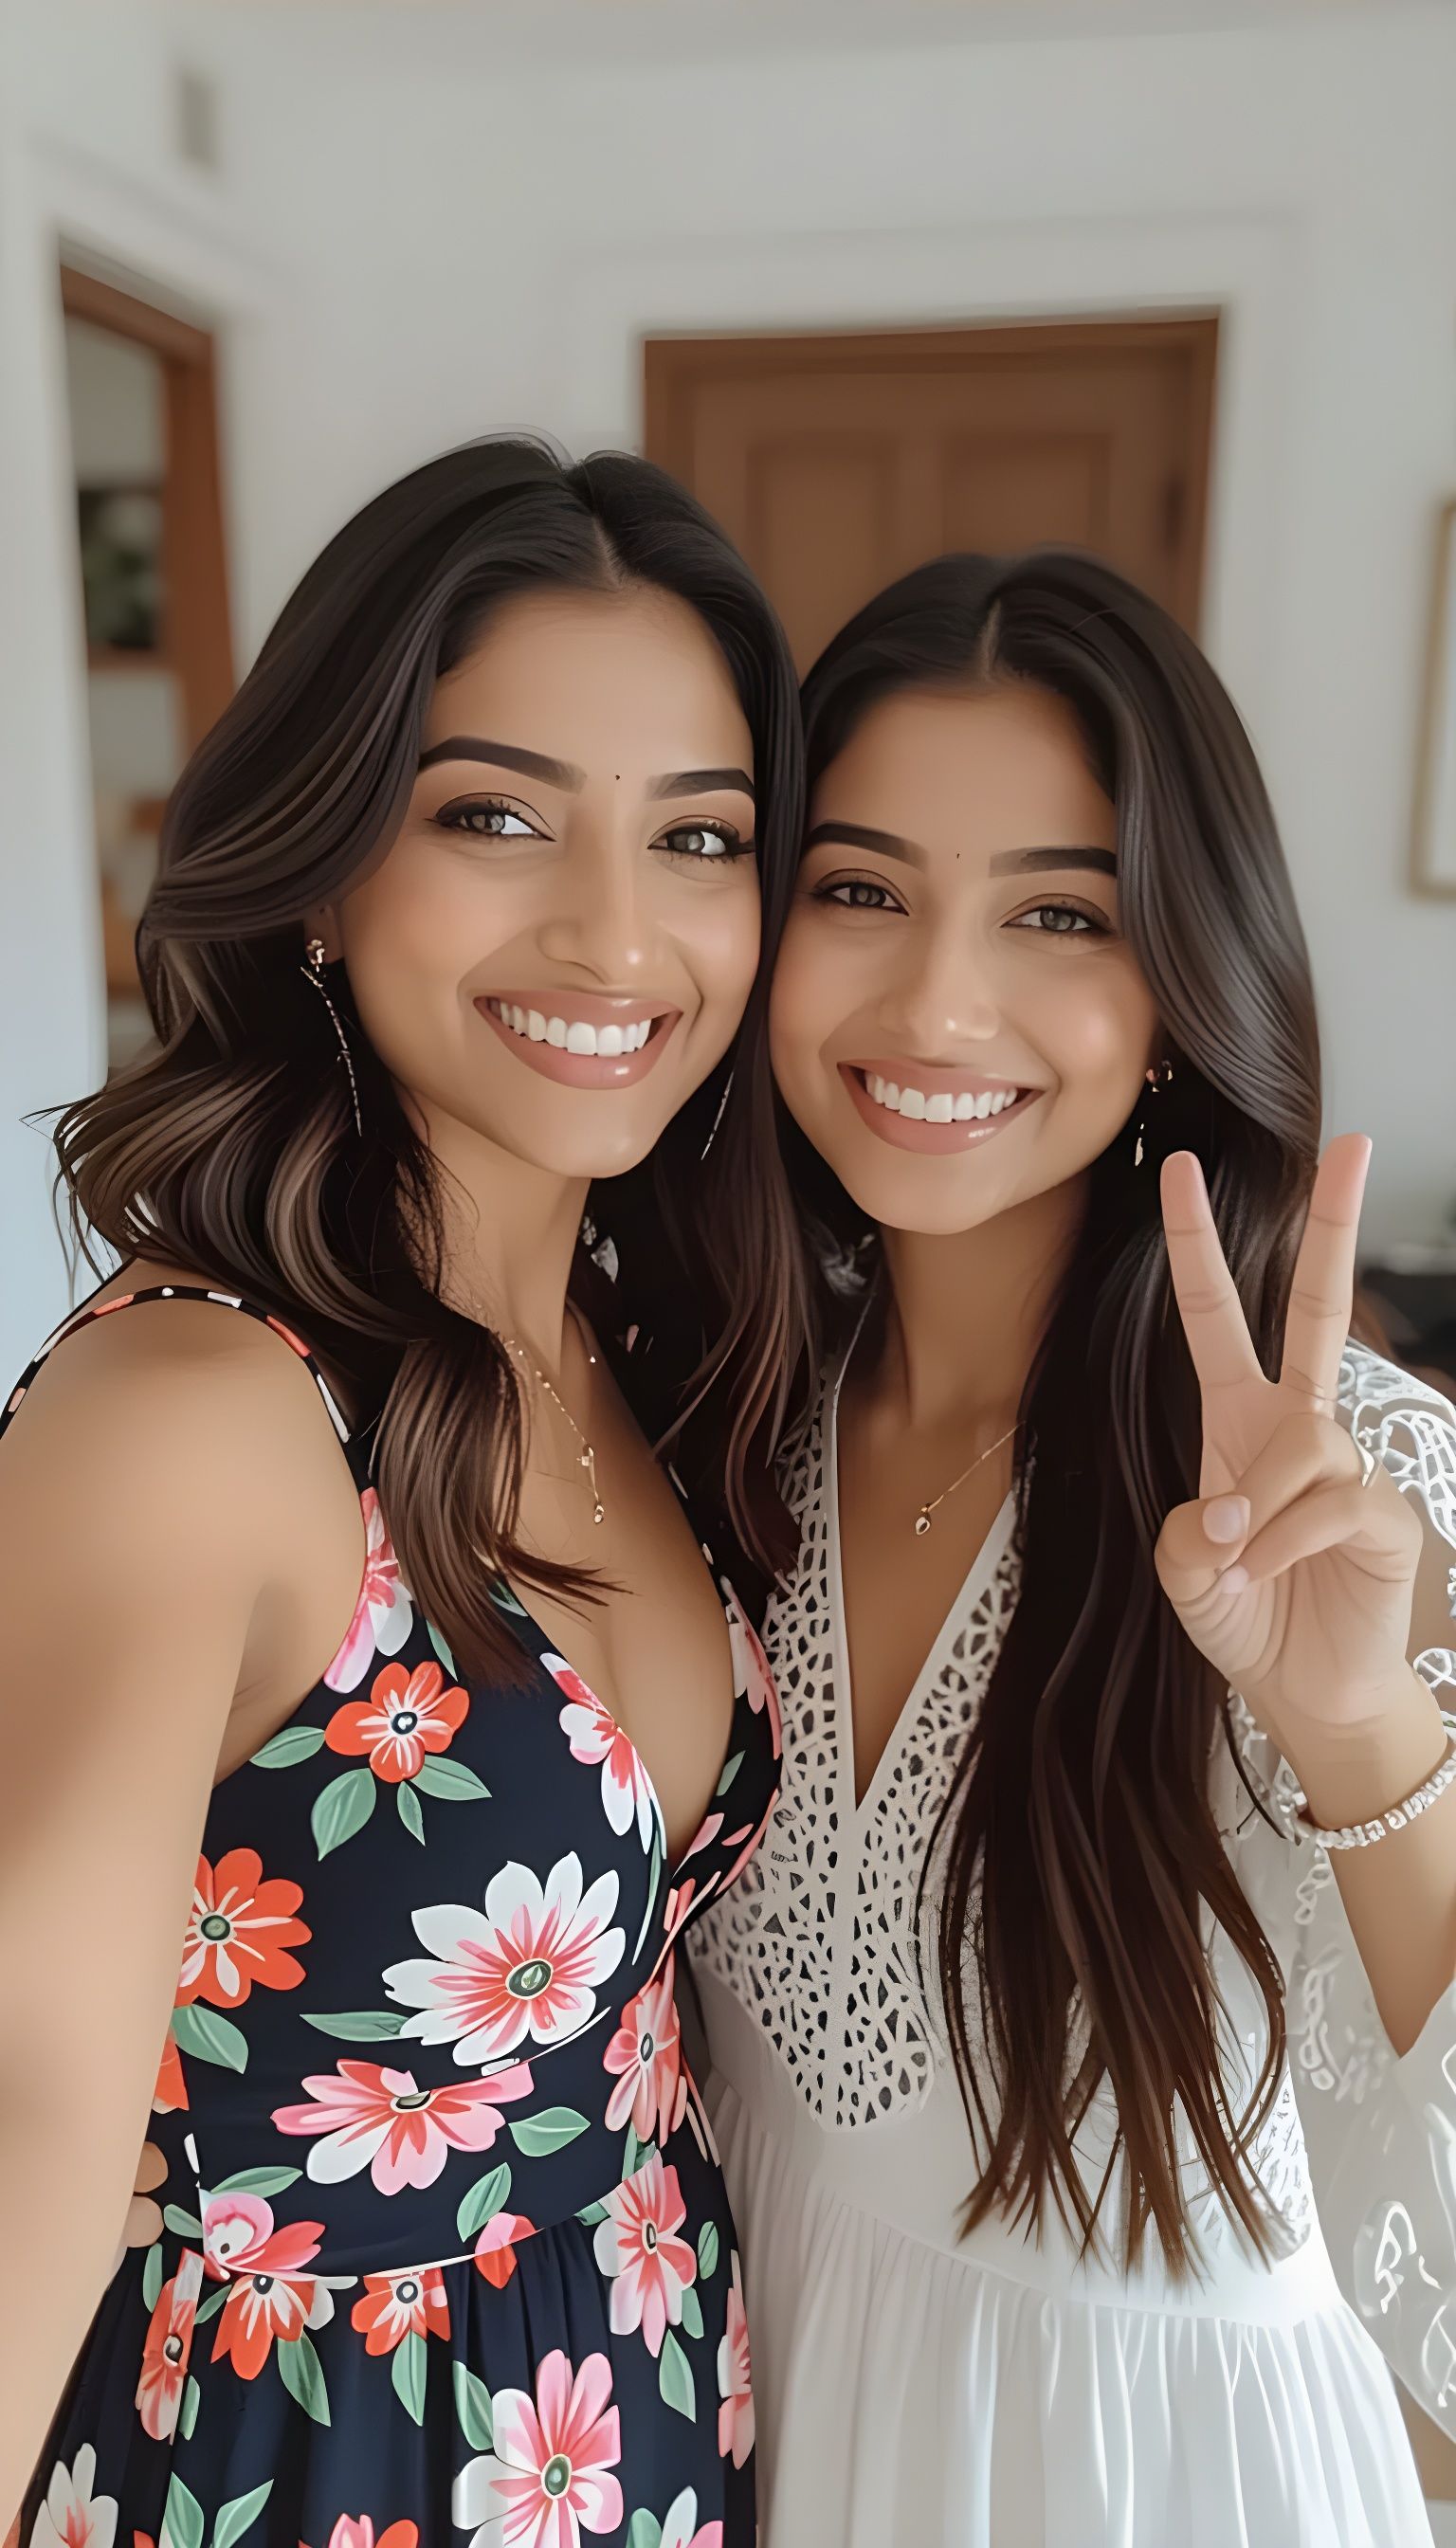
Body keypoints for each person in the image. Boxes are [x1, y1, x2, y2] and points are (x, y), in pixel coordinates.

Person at [0, 437, 806, 2548]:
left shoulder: (648, 1356)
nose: (618, 933)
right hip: (293, 2471)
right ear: (328, 870)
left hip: (630, 2411)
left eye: (699, 836)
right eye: (498, 814)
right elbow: (26, 2095)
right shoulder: (197, 1409)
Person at [687, 551, 1456, 2546]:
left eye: (1058, 913)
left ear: (1183, 976)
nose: (940, 997)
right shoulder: (723, 1422)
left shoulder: (1350, 1493)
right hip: (756, 2437)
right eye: (858, 890)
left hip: (1156, 2489)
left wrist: (1364, 1734)